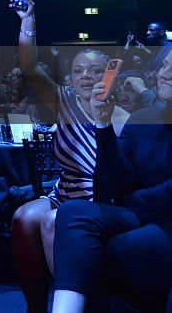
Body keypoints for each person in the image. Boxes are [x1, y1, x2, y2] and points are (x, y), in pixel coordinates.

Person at [8, 0, 130, 313]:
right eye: (78, 71)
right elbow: (29, 67)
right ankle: (35, 307)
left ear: (109, 75)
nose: (85, 76)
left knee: (52, 221)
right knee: (23, 217)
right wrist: (27, 22)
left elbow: (120, 177)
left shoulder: (121, 116)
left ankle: (74, 303)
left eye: (94, 70)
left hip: (98, 200)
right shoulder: (64, 99)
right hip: (64, 191)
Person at [51, 46, 172, 312]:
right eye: (165, 65)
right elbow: (115, 184)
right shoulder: (142, 119)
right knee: (72, 212)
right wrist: (103, 125)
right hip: (143, 213)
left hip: (164, 220)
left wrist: (132, 199)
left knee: (117, 248)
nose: (166, 73)